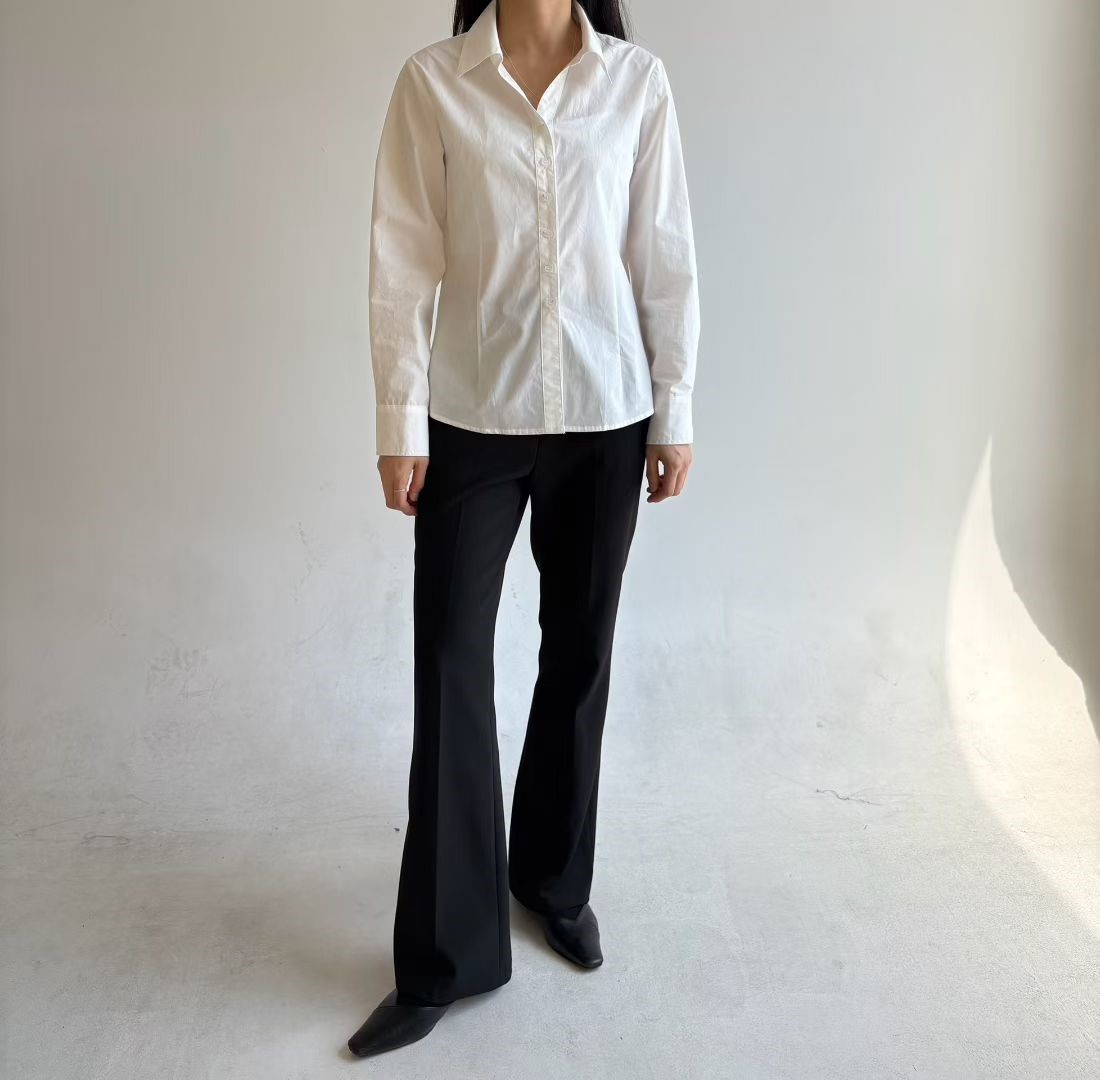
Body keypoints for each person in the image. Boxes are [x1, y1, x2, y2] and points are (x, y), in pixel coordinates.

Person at [348, 0, 699, 1057]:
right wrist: (399, 421)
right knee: (450, 663)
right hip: (472, 417)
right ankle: (444, 956)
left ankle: (550, 880)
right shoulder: (433, 82)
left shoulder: (635, 82)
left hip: (606, 411)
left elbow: (662, 252)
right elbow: (403, 256)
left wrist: (674, 410)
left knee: (578, 654)